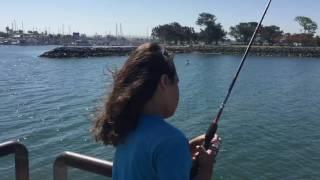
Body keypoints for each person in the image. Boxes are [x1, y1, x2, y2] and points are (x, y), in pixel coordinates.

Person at [92, 42, 221, 180]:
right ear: (164, 82)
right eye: (176, 82)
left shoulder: (127, 125)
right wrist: (206, 169)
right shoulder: (171, 140)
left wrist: (185, 149)